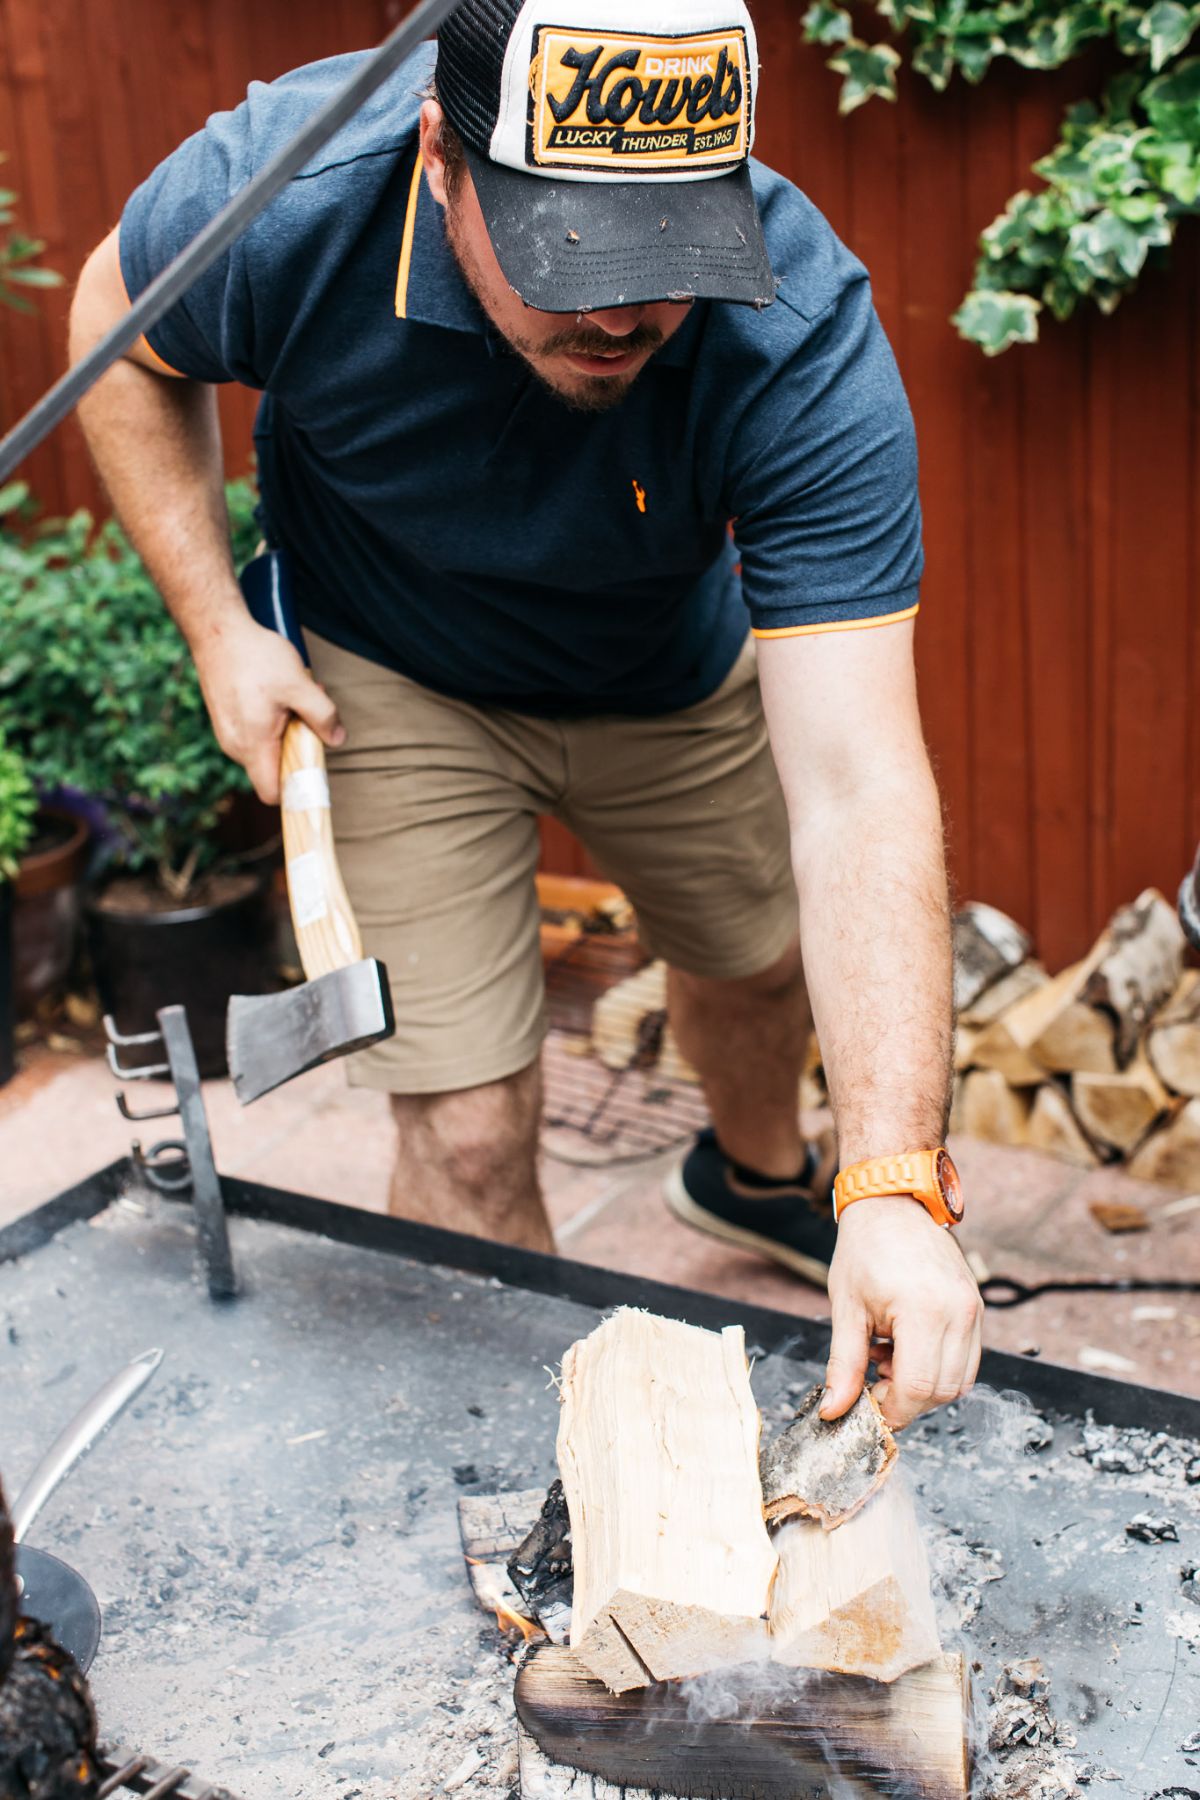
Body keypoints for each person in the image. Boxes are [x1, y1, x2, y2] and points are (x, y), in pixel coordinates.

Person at [68, 0, 982, 1430]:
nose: (622, 315)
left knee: (757, 966)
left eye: (666, 262)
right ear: (443, 159)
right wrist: (217, 632)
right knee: (472, 1138)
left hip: (662, 670)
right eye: (572, 257)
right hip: (390, 677)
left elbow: (861, 780)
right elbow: (117, 338)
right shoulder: (292, 191)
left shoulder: (796, 331)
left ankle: (752, 1178)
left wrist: (895, 1180)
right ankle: (533, 1480)